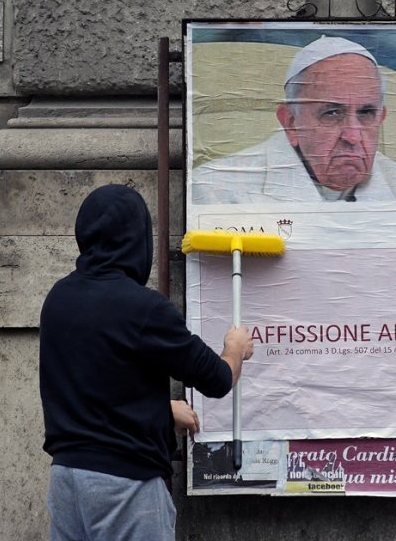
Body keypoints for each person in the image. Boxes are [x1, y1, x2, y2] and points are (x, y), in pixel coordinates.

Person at [39, 184, 253, 540]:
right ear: (138, 240)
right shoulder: (143, 308)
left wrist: (163, 409)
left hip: (67, 480)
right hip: (125, 485)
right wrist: (235, 349)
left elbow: (95, 385)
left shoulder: (58, 299)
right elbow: (217, 379)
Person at [191, 35, 396, 203]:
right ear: (290, 123)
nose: (352, 136)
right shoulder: (218, 191)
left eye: (366, 113)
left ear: (381, 118)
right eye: (332, 113)